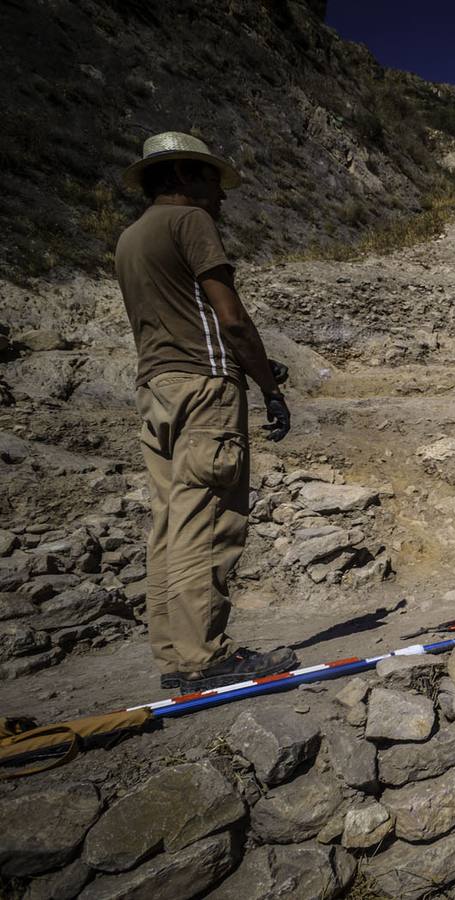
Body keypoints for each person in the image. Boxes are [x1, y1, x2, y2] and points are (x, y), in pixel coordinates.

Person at [115, 131, 297, 692]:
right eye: (213, 181)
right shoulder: (189, 222)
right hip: (205, 386)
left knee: (170, 522)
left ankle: (174, 654)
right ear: (182, 177)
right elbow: (231, 318)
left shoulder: (129, 239)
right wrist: (268, 385)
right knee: (208, 519)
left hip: (155, 389)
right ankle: (206, 656)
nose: (221, 195)